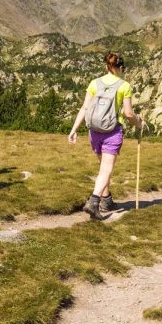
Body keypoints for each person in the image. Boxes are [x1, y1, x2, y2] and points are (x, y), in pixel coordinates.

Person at [68, 52, 143, 221]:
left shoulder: (95, 83)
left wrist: (74, 130)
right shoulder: (124, 86)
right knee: (107, 169)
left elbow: (85, 108)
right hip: (112, 131)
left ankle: (106, 200)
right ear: (121, 68)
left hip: (94, 130)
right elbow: (128, 113)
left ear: (106, 66)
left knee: (103, 167)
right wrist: (138, 124)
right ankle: (94, 202)